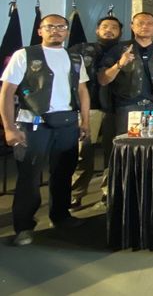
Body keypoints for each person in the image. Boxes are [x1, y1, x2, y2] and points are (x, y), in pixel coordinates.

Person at [1, 14, 90, 246]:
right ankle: (24, 227)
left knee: (63, 172)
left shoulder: (75, 57)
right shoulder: (24, 55)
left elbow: (82, 91)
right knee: (29, 177)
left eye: (61, 27)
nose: (56, 30)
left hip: (67, 124)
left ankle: (60, 216)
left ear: (67, 31)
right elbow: (7, 92)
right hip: (33, 124)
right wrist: (9, 128)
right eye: (50, 27)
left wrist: (85, 122)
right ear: (40, 31)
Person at [98, 12, 153, 204]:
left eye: (150, 23)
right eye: (140, 23)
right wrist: (120, 64)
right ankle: (112, 191)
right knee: (120, 151)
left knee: (151, 151)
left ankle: (145, 190)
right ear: (132, 26)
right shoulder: (119, 49)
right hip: (126, 107)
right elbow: (103, 79)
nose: (145, 26)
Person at [68, 15, 122, 209]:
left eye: (114, 27)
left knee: (112, 153)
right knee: (83, 153)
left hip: (115, 107)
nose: (109, 30)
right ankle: (76, 193)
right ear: (97, 30)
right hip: (88, 107)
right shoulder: (80, 49)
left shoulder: (125, 51)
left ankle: (108, 191)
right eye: (105, 26)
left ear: (120, 32)